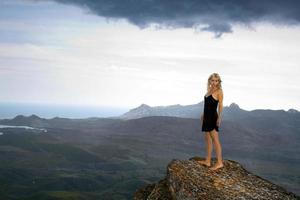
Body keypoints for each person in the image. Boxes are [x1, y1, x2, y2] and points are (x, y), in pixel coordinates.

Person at [198, 73, 224, 171]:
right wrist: (203, 115)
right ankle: (208, 161)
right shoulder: (209, 90)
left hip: (213, 117)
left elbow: (220, 105)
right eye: (213, 80)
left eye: (216, 81)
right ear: (210, 80)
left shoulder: (219, 91)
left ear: (219, 82)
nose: (214, 82)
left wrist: (219, 118)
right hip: (206, 117)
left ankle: (219, 163)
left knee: (215, 140)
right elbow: (207, 105)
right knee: (208, 140)